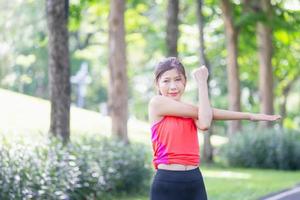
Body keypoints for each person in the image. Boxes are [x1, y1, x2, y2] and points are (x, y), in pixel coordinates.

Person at [148, 57, 281, 200]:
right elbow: (205, 121)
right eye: (166, 81)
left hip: (194, 180)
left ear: (185, 81)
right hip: (168, 182)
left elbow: (206, 116)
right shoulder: (157, 103)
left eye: (178, 79)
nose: (173, 86)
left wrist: (250, 116)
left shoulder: (189, 110)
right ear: (157, 84)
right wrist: (202, 82)